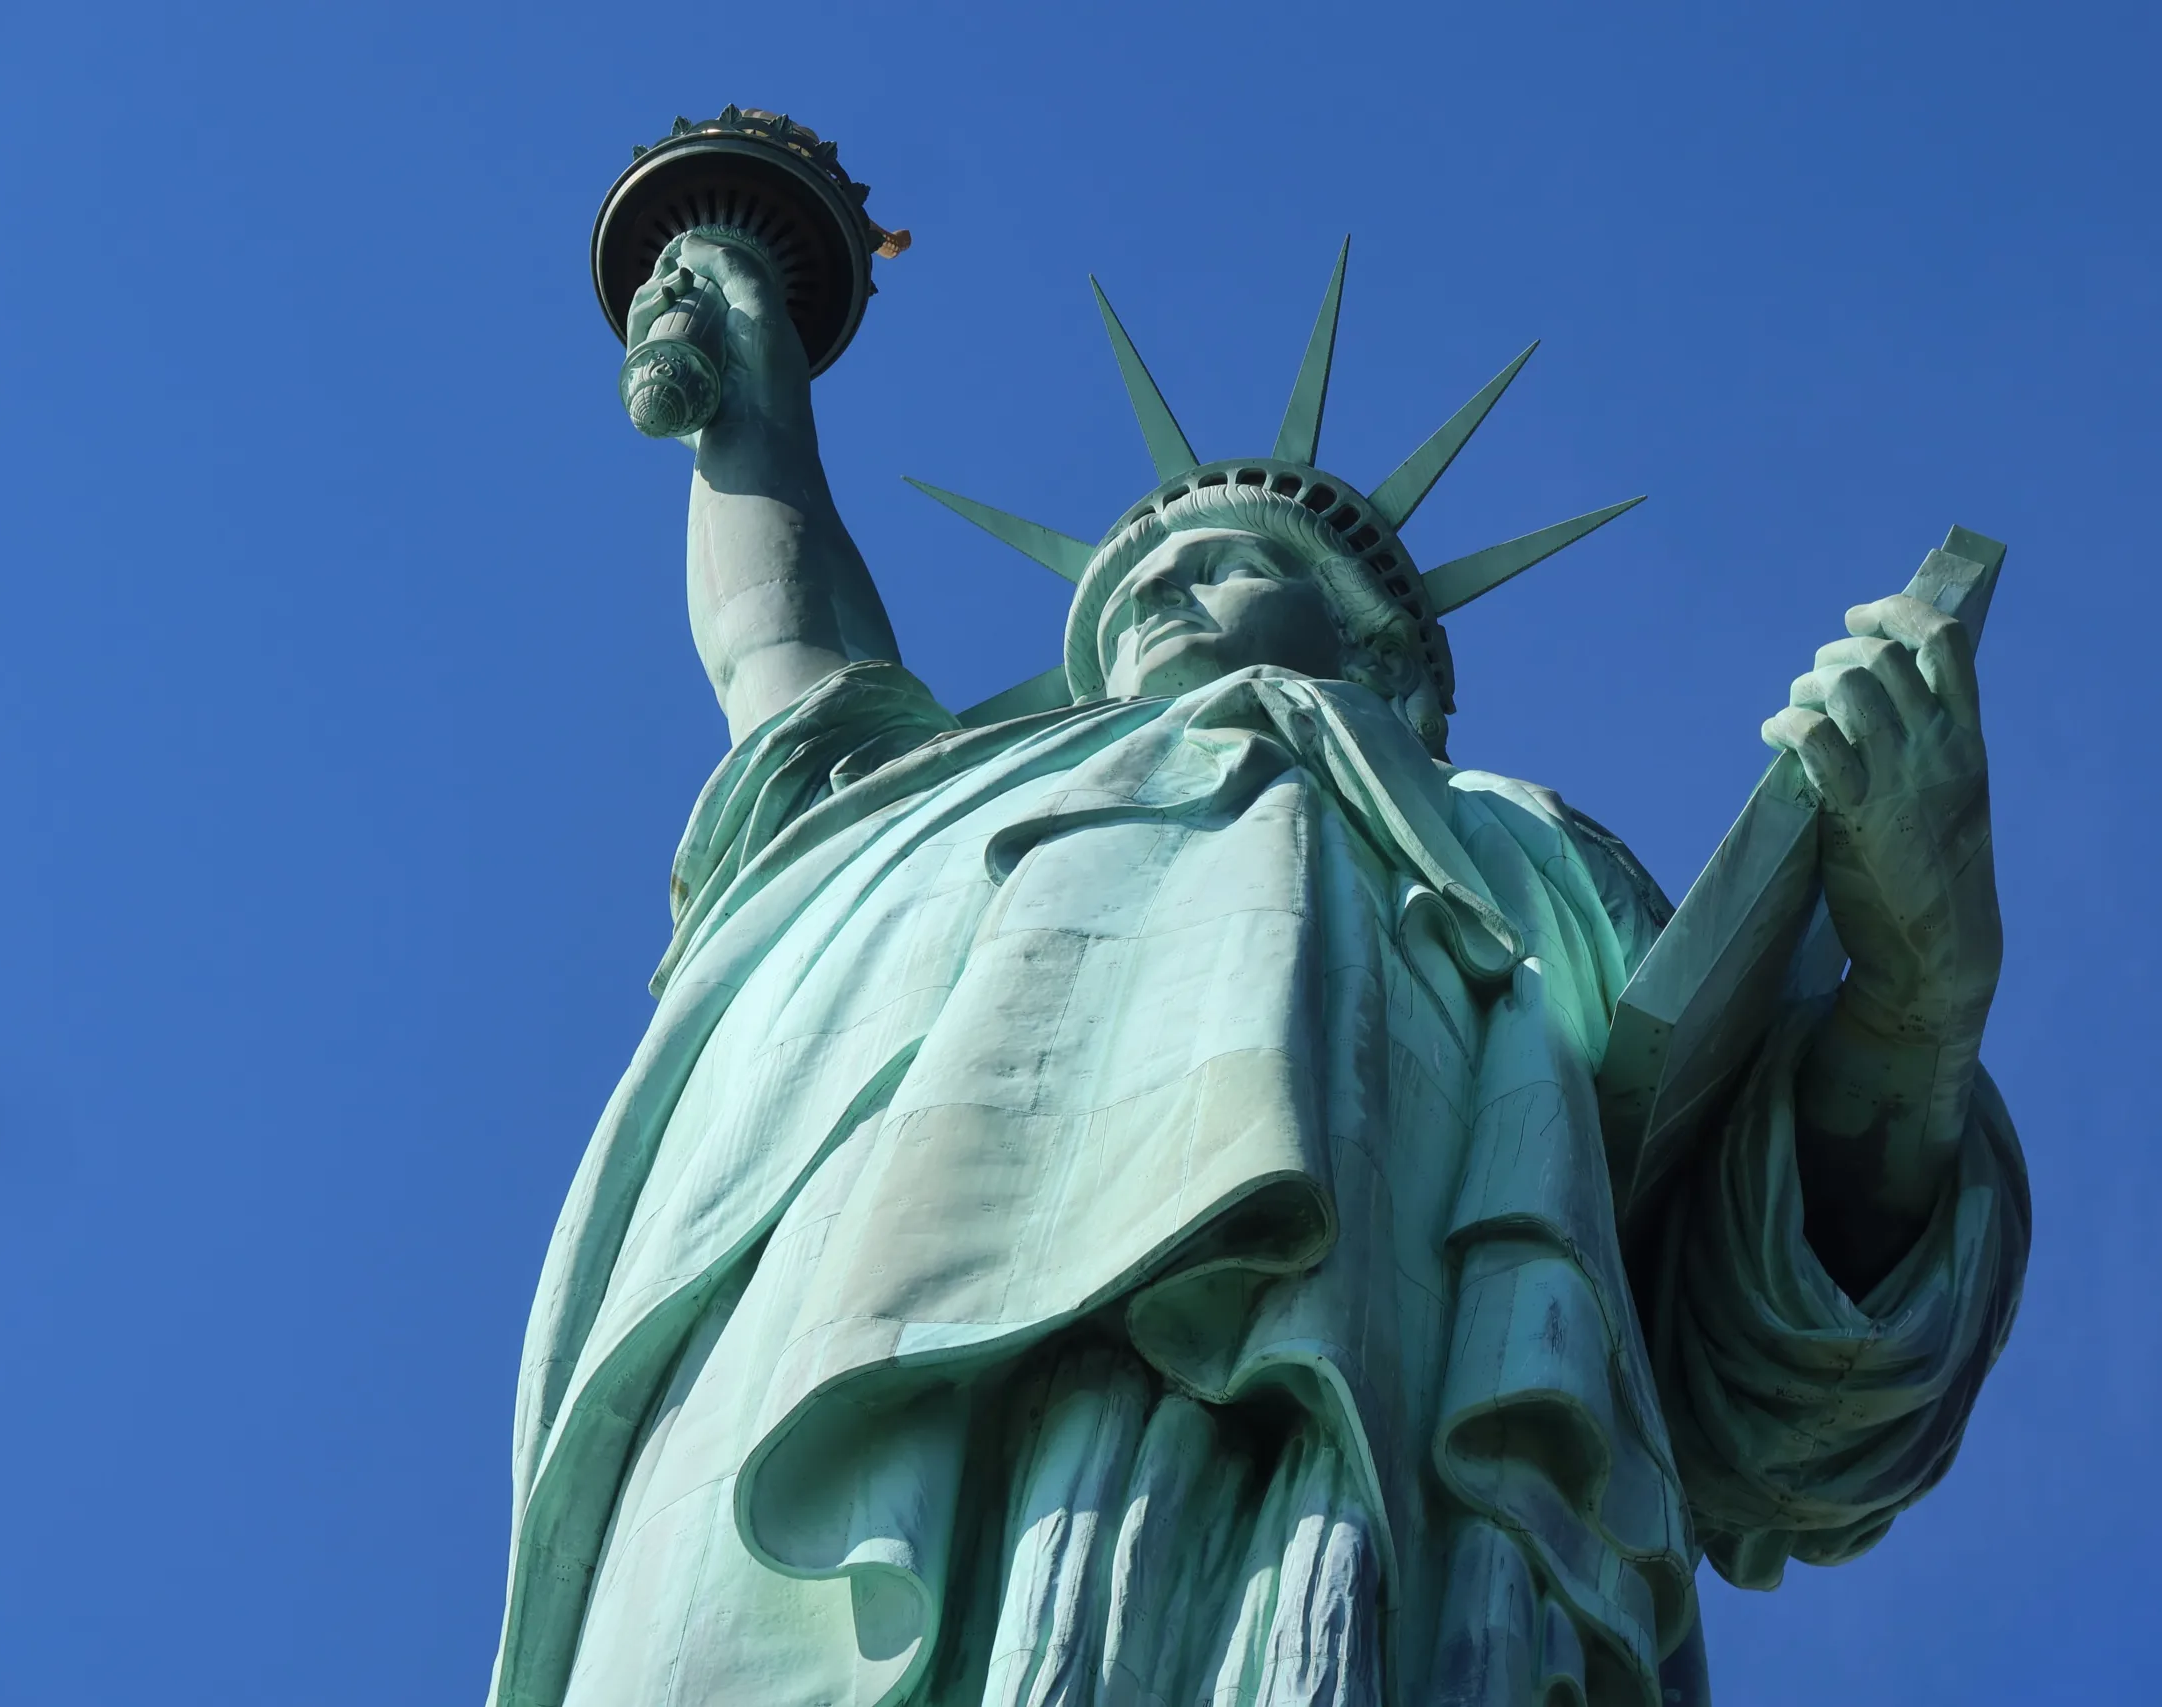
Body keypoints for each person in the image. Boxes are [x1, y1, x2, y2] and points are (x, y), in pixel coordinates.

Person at [485, 230, 2029, 1707]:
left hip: (1342, 1422)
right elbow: (791, 680)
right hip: (825, 1383)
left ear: (1386, 659)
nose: (1152, 586)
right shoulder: (954, 803)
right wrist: (753, 411)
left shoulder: (1504, 849)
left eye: (1216, 560)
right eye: (1129, 579)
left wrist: (1916, 981)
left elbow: (1755, 1326)